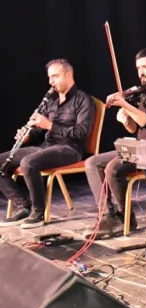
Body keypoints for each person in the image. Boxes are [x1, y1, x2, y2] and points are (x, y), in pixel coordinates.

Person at [82, 47, 146, 239]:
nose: (140, 73)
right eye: (138, 68)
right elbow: (135, 129)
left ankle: (124, 217)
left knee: (112, 167)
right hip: (142, 147)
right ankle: (109, 216)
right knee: (92, 162)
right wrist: (126, 120)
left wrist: (125, 104)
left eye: (145, 67)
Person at [0, 59, 95, 228]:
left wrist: (50, 125)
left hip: (69, 149)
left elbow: (81, 134)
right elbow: (38, 127)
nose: (51, 82)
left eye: (55, 76)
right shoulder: (50, 101)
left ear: (68, 74)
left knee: (29, 162)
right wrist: (27, 134)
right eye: (50, 77)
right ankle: (25, 205)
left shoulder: (83, 100)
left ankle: (38, 212)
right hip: (46, 147)